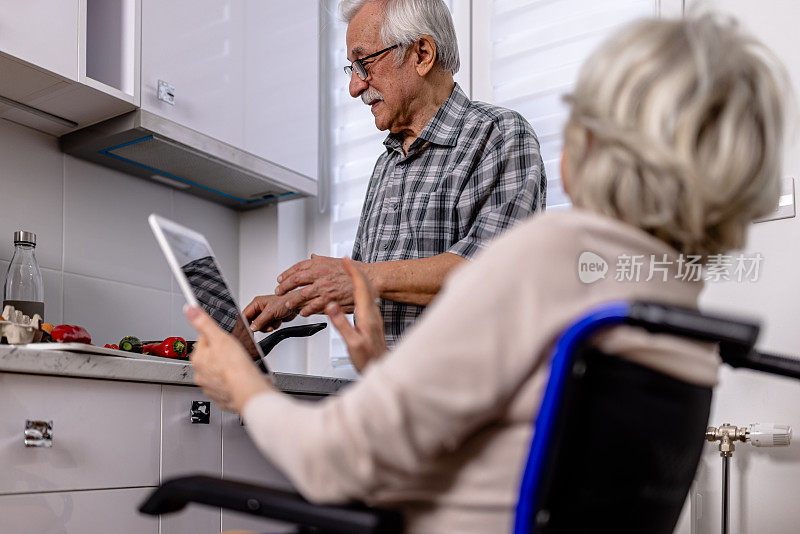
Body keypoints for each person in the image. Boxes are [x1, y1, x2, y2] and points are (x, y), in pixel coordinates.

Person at [187, 14, 788, 533]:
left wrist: (243, 384)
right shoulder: (680, 306)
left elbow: (330, 461)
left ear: (599, 140)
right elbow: (510, 426)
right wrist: (376, 361)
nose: (355, 85)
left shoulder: (548, 243)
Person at [244, 0, 546, 351]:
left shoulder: (499, 135)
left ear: (421, 53)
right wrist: (294, 301)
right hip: (386, 395)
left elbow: (495, 274)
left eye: (364, 63)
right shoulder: (386, 163)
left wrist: (360, 277)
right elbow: (373, 287)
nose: (355, 88)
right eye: (351, 69)